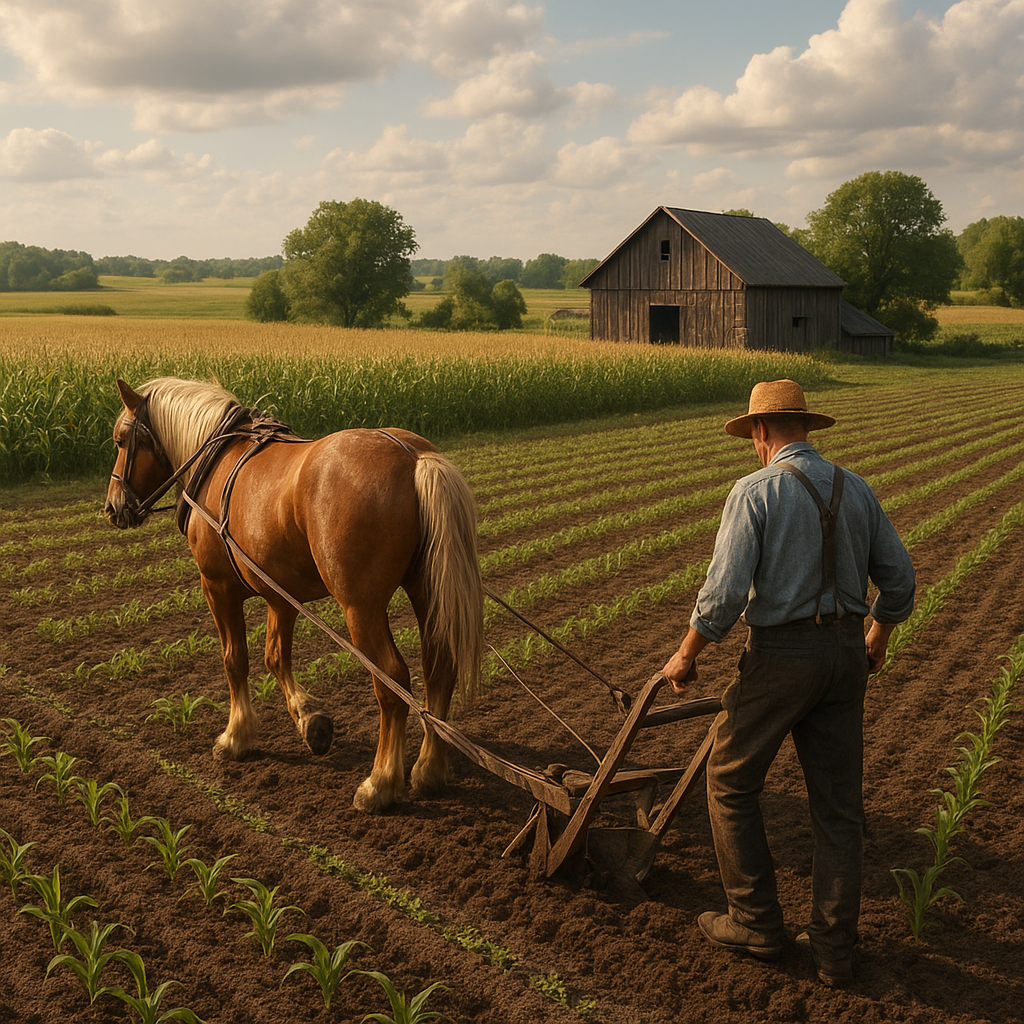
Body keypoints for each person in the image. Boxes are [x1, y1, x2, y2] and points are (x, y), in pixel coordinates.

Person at [661, 379, 915, 987]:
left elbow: (723, 595)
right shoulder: (855, 488)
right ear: (806, 429)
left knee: (728, 780)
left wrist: (686, 654)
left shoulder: (755, 491)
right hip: (845, 656)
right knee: (838, 809)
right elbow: (900, 580)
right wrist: (875, 635)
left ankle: (755, 922)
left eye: (752, 434)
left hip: (782, 656)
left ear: (761, 432)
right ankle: (834, 951)